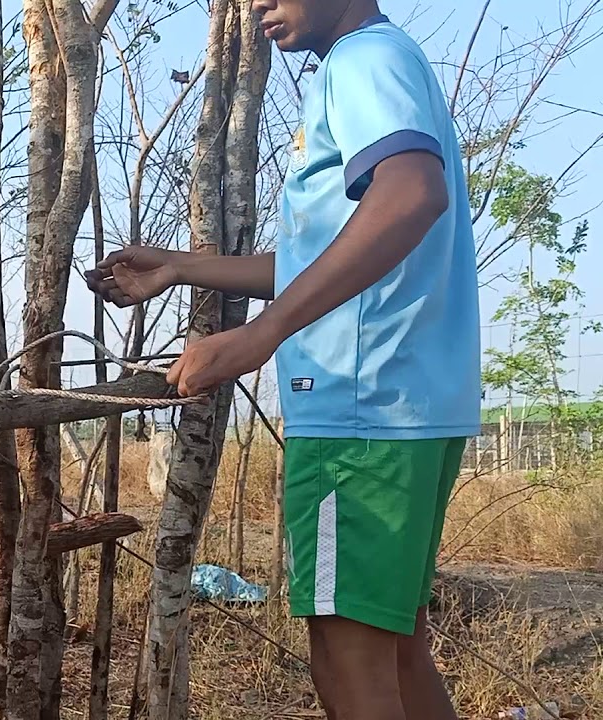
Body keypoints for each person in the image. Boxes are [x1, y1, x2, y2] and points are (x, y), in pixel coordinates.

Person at [85, 2, 478, 719]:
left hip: (358, 412)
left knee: (349, 662)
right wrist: (180, 266)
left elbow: (411, 195)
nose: (260, 3)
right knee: (395, 646)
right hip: (408, 406)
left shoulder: (362, 60)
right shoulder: (389, 60)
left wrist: (261, 336)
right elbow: (322, 257)